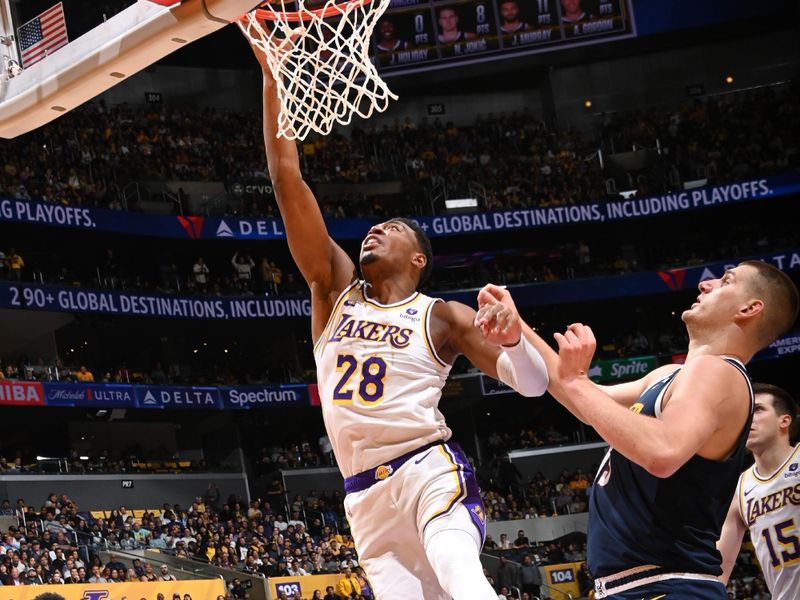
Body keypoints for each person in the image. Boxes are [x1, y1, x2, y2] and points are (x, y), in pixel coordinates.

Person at [245, 33, 549, 600]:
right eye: (373, 227)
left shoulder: (443, 317)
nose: (376, 229)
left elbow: (532, 387)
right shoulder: (334, 290)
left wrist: (515, 343)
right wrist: (272, 80)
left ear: (418, 259)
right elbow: (287, 181)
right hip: (363, 495)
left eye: (395, 229)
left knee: (463, 576)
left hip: (428, 470)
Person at [476, 260, 799, 599]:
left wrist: (578, 383)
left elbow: (663, 452)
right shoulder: (668, 376)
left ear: (750, 308)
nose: (706, 285)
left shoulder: (719, 371)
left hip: (667, 585)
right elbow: (585, 400)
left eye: (726, 281)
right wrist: (519, 329)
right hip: (640, 586)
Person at [717, 383, 799, 599]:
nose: (747, 419)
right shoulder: (740, 489)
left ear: (785, 420)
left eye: (758, 410)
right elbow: (718, 571)